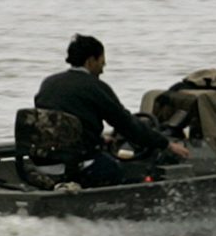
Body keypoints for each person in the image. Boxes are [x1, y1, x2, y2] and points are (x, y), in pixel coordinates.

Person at [34, 34, 189, 186]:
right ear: (90, 61)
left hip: (44, 164)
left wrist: (100, 140)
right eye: (102, 61)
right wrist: (166, 144)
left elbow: (62, 126)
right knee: (116, 170)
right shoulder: (94, 87)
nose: (103, 68)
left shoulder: (49, 83)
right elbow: (127, 125)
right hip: (77, 166)